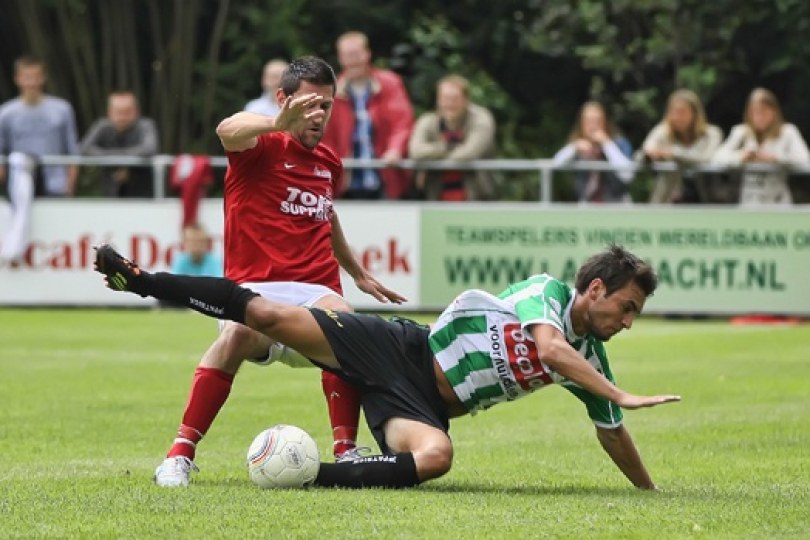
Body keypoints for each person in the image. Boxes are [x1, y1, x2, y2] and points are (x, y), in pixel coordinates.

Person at [95, 243, 681, 490]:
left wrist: (648, 492)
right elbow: (549, 348)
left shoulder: (591, 360)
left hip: (417, 405)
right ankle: (144, 281)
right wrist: (621, 392)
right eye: (626, 307)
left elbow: (613, 436)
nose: (628, 321)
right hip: (398, 349)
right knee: (265, 317)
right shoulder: (545, 295)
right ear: (596, 289)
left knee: (436, 457)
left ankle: (309, 475)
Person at [149, 56, 406, 487]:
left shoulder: (328, 161)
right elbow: (226, 129)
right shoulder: (258, 147)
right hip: (256, 286)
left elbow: (326, 214)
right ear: (283, 99)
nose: (318, 114)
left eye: (326, 105)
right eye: (309, 104)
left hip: (314, 287)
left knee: (347, 324)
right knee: (235, 335)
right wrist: (275, 123)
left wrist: (357, 272)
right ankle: (180, 453)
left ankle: (346, 450)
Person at [0, 56, 79, 263]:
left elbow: (72, 150)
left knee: (55, 236)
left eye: (36, 77)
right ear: (18, 79)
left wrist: (71, 182)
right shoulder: (6, 113)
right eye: (27, 77)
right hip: (19, 185)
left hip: (56, 183)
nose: (32, 82)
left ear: (43, 77)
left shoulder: (62, 109)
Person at [321, 31, 414, 200]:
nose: (352, 61)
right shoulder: (331, 92)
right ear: (340, 58)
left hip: (384, 177)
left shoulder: (390, 83)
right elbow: (324, 134)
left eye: (356, 54)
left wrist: (395, 149)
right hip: (345, 182)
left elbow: (401, 122)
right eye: (347, 55)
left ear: (367, 54)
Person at [712, 87, 810, 206]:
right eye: (754, 111)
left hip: (777, 201)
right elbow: (717, 158)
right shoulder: (741, 132)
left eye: (763, 111)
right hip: (749, 201)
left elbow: (804, 160)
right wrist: (741, 156)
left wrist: (775, 159)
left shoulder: (788, 131)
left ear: (774, 111)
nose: (759, 116)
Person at [408, 75, 497, 201]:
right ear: (438, 100)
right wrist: (448, 147)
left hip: (477, 197)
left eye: (455, 98)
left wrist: (431, 159)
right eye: (445, 98)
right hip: (435, 197)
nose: (449, 104)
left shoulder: (481, 119)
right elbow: (416, 152)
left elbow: (468, 154)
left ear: (466, 100)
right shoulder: (427, 121)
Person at [641, 89, 723, 204]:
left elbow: (707, 158)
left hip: (706, 201)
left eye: (681, 112)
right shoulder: (663, 131)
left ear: (695, 113)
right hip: (667, 202)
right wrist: (650, 153)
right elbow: (646, 148)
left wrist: (674, 153)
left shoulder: (712, 134)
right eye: (673, 112)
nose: (676, 117)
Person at [80, 90, 159, 198]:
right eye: (118, 112)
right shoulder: (102, 126)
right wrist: (118, 160)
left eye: (127, 112)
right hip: (110, 195)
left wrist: (127, 166)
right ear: (109, 112)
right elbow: (84, 148)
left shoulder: (146, 126)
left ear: (136, 112)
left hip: (141, 196)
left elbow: (149, 149)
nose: (122, 117)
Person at [553, 101, 635, 203]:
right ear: (581, 124)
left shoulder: (619, 143)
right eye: (588, 121)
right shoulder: (576, 147)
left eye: (597, 121)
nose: (593, 126)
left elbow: (627, 176)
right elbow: (555, 165)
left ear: (604, 122)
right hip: (587, 205)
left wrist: (607, 144)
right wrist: (573, 147)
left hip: (616, 204)